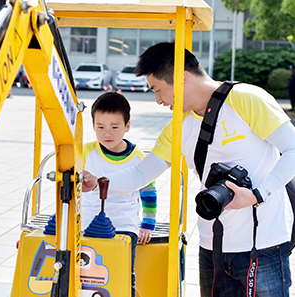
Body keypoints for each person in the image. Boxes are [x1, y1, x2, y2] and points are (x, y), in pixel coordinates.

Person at [82, 42, 295, 297]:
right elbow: (141, 174)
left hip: (263, 246)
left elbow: (292, 150)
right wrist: (98, 182)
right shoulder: (178, 126)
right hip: (211, 248)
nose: (158, 100)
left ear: (181, 78)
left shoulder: (246, 99)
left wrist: (257, 195)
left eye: (158, 89)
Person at [82, 92, 157, 297]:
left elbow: (148, 191)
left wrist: (147, 225)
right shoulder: (85, 151)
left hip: (124, 224)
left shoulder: (137, 157)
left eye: (115, 127)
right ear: (93, 126)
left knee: (124, 272)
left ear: (127, 126)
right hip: (87, 223)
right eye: (100, 127)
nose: (108, 133)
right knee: (86, 274)